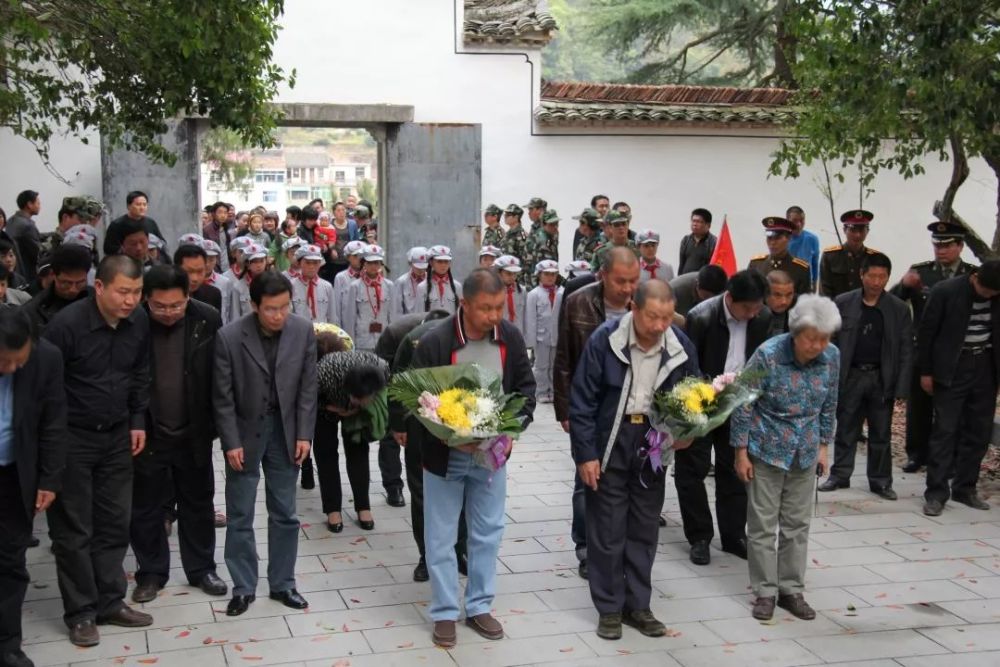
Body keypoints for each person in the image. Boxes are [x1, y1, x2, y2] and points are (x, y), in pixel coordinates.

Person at [409, 269, 536, 648]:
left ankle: (479, 605)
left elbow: (526, 390)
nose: (494, 316)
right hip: (444, 457)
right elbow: (417, 402)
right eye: (485, 309)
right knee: (441, 536)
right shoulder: (435, 342)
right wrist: (443, 433)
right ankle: (445, 611)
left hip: (491, 457)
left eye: (499, 307)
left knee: (488, 532)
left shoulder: (509, 337)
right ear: (464, 305)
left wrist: (511, 432)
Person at [570, 280, 700, 640]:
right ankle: (609, 608)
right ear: (634, 308)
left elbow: (696, 393)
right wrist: (586, 455)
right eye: (652, 317)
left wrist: (689, 428)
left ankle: (638, 605)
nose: (660, 326)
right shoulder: (605, 340)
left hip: (653, 441)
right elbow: (582, 401)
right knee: (608, 529)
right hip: (611, 438)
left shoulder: (679, 345)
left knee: (644, 527)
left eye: (666, 318)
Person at [43, 256, 152, 647]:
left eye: (137, 293)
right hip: (73, 439)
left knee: (114, 522)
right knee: (74, 529)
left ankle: (110, 601)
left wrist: (138, 419)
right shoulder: (66, 326)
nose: (130, 301)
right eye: (123, 292)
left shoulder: (138, 322)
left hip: (118, 436)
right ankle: (81, 612)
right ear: (100, 287)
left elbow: (140, 373)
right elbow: (47, 390)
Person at [213, 271, 317, 617]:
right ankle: (243, 586)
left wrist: (305, 433)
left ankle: (283, 583)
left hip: (286, 431)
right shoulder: (229, 337)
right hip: (245, 433)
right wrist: (230, 441)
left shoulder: (302, 331)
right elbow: (222, 397)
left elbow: (307, 387)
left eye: (284, 307)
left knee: (285, 511)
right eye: (270, 309)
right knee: (240, 512)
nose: (278, 315)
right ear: (254, 305)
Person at [733, 295, 841, 622]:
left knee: (797, 523)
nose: (818, 346)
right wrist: (740, 452)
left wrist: (824, 445)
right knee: (763, 524)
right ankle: (765, 591)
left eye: (824, 339)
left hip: (805, 450)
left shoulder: (832, 357)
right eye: (812, 339)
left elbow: (829, 404)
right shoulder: (768, 355)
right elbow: (743, 401)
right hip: (767, 446)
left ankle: (791, 589)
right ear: (796, 333)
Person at [128, 266, 227, 604]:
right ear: (146, 299)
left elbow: (218, 372)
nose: (169, 313)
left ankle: (201, 569)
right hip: (149, 431)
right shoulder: (134, 322)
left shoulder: (207, 318)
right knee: (146, 507)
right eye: (160, 306)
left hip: (193, 428)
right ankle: (151, 573)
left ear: (188, 297)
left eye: (176, 305)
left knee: (198, 502)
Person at [554, 247, 641, 579]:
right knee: (586, 477)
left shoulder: (645, 304)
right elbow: (565, 357)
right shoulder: (579, 301)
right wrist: (565, 410)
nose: (628, 288)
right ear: (602, 275)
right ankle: (587, 546)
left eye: (634, 281)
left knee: (631, 478)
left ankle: (621, 543)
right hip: (590, 404)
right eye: (621, 281)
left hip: (634, 404)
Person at [679, 270, 772, 565]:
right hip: (702, 400)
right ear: (730, 298)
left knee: (735, 469)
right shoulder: (701, 316)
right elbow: (689, 366)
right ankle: (700, 537)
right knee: (692, 469)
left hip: (740, 403)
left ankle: (733, 535)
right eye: (748, 308)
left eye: (758, 307)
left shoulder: (763, 318)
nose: (753, 313)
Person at [0, 308, 66, 667]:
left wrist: (49, 478)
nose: (10, 369)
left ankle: (8, 642)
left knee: (11, 559)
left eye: (17, 361)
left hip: (16, 472)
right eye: (2, 361)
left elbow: (54, 421)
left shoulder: (46, 360)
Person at [820, 253, 911, 500]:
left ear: (888, 278)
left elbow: (905, 348)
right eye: (872, 276)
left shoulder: (898, 308)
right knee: (846, 427)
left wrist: (901, 387)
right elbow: (832, 340)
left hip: (881, 377)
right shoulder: (844, 302)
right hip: (851, 375)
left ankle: (881, 481)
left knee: (881, 432)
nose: (876, 282)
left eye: (882, 277)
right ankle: (840, 475)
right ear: (862, 275)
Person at [385, 310, 466, 580]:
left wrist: (397, 424)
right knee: (427, 490)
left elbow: (396, 382)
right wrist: (400, 423)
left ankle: (438, 555)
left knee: (432, 492)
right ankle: (444, 554)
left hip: (457, 423)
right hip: (426, 422)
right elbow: (401, 381)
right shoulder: (415, 339)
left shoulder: (474, 333)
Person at [891, 221, 976, 473]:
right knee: (919, 408)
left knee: (952, 409)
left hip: (957, 352)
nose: (941, 250)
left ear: (960, 246)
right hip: (924, 350)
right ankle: (917, 454)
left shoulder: (972, 275)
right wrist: (904, 285)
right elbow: (893, 304)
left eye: (947, 245)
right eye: (937, 245)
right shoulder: (921, 272)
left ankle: (949, 458)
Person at [918, 260, 1000, 516]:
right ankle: (936, 493)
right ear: (974, 276)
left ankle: (965, 487)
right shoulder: (946, 291)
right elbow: (926, 333)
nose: (986, 295)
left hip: (986, 366)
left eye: (992, 293)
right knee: (945, 430)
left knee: (979, 431)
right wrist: (926, 372)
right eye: (984, 289)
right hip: (952, 366)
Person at [314, 349, 389, 532]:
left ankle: (363, 507)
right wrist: (332, 408)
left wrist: (358, 409)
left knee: (358, 453)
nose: (360, 401)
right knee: (326, 455)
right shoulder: (323, 373)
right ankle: (332, 510)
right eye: (357, 398)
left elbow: (387, 393)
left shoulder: (382, 368)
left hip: (355, 415)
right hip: (326, 407)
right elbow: (306, 398)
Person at [21, 245, 92, 335]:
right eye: (66, 283)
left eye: (79, 283)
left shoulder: (98, 300)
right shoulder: (33, 311)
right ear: (53, 275)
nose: (73, 289)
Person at [524, 260, 563, 404]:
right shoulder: (534, 294)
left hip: (557, 336)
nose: (550, 277)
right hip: (541, 337)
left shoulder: (561, 293)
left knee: (555, 365)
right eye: (546, 274)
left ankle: (554, 391)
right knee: (541, 366)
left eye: (553, 274)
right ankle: (541, 391)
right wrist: (531, 341)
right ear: (539, 275)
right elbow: (531, 318)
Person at [820, 209, 882, 298]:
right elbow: (825, 291)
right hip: (836, 309)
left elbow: (876, 290)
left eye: (861, 230)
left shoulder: (874, 258)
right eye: (853, 230)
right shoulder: (830, 256)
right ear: (845, 230)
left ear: (867, 231)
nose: (857, 235)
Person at [343, 244, 392, 351]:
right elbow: (351, 317)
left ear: (380, 264)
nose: (373, 266)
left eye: (377, 263)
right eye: (370, 263)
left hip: (384, 339)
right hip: (362, 340)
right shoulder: (355, 286)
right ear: (363, 263)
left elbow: (392, 315)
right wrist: (350, 343)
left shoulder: (389, 285)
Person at [748, 216, 812, 295]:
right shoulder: (756, 264)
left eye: (777, 238)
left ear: (789, 238)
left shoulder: (801, 269)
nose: (772, 243)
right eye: (769, 238)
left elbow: (804, 303)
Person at [104, 192, 166, 258]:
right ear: (129, 206)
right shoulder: (117, 225)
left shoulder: (150, 223)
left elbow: (161, 243)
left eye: (144, 205)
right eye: (138, 204)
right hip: (126, 263)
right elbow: (108, 248)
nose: (142, 208)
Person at [290, 245, 336, 323]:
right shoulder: (291, 285)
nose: (311, 266)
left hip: (322, 333)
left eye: (315, 263)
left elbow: (332, 316)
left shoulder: (327, 286)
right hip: (300, 332)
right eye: (307, 263)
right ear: (299, 263)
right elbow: (289, 316)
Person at [174, 243, 222, 313]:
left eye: (200, 271)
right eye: (189, 272)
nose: (194, 279)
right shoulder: (164, 294)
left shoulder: (213, 294)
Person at [6, 191, 41, 281]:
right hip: (27, 274)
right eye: (38, 203)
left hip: (13, 272)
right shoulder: (27, 226)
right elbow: (39, 252)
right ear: (29, 204)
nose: (39, 206)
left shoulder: (11, 220)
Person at [229, 242, 268, 319]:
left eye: (261, 261)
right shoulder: (238, 287)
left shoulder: (273, 282)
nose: (259, 265)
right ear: (247, 264)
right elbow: (235, 315)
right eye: (254, 261)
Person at [417, 245, 462, 314]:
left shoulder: (457, 286)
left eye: (446, 261)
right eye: (439, 261)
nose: (443, 265)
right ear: (431, 263)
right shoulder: (422, 287)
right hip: (430, 325)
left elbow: (460, 313)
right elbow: (418, 315)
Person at [331, 241, 366, 324]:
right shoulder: (341, 277)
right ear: (348, 257)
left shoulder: (370, 277)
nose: (359, 259)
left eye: (362, 256)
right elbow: (337, 305)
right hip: (347, 324)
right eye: (355, 256)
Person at [200, 240, 233, 323]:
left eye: (211, 260)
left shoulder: (225, 282)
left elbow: (228, 310)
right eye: (204, 259)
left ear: (216, 260)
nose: (207, 264)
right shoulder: (193, 282)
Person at [786, 206, 820, 288]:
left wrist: (814, 290)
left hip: (805, 285)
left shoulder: (812, 239)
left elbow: (815, 266)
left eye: (802, 220)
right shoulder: (782, 239)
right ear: (787, 221)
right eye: (795, 221)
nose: (798, 224)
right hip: (785, 285)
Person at [678, 208, 717, 275]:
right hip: (685, 280)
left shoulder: (714, 242)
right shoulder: (686, 240)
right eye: (693, 221)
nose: (695, 224)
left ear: (708, 225)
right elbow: (682, 263)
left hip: (703, 281)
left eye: (699, 222)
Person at [392, 247, 428, 319]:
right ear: (410, 263)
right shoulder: (401, 282)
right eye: (417, 267)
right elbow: (397, 310)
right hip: (408, 324)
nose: (420, 270)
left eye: (423, 268)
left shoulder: (431, 281)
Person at [495, 255, 526, 337]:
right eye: (508, 273)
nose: (512, 277)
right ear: (499, 273)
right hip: (500, 333)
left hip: (518, 333)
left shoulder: (522, 291)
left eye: (514, 274)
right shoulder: (493, 291)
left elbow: (525, 316)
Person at [765, 271, 796, 337]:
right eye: (777, 295)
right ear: (765, 293)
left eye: (789, 295)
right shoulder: (752, 312)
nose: (784, 302)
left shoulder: (799, 311)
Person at [499, 205, 528, 270]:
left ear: (516, 217)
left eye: (508, 215)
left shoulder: (521, 235)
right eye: (505, 215)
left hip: (515, 273)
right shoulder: (508, 234)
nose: (505, 217)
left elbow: (524, 259)